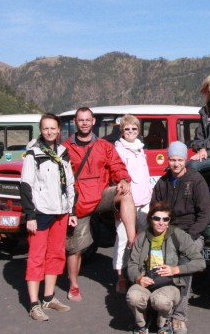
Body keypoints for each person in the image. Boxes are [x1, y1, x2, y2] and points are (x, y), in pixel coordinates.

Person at [63, 107, 137, 302]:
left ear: (93, 121)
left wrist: (122, 178)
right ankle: (74, 285)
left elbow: (117, 165)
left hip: (100, 194)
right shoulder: (65, 148)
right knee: (75, 249)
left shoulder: (104, 146)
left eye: (88, 119)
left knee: (125, 193)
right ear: (75, 122)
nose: (85, 123)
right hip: (78, 202)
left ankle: (132, 238)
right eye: (81, 120)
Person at [152, 141, 210, 334]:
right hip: (166, 233)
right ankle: (159, 309)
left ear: (185, 161)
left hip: (190, 233)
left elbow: (206, 213)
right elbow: (155, 210)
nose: (176, 164)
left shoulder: (196, 180)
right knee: (154, 265)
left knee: (183, 268)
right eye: (172, 159)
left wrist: (190, 236)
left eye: (179, 160)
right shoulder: (163, 183)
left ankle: (179, 316)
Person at [20, 113, 77, 321]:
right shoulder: (33, 153)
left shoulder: (63, 152)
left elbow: (69, 183)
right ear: (41, 130)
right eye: (46, 128)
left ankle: (49, 297)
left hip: (61, 212)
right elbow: (26, 185)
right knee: (36, 257)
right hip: (41, 212)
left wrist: (72, 211)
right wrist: (30, 215)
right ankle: (34, 304)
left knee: (56, 254)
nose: (50, 132)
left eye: (53, 128)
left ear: (59, 129)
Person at [126, 202, 206, 334]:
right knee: (133, 296)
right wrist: (138, 278)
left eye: (165, 219)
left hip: (169, 283)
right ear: (150, 219)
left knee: (161, 301)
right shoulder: (142, 238)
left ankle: (163, 323)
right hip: (147, 279)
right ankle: (142, 323)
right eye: (156, 218)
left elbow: (200, 262)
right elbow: (132, 264)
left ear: (169, 221)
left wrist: (176, 270)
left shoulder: (178, 235)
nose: (161, 222)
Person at [114, 114, 153, 294]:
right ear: (122, 131)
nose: (131, 132)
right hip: (127, 201)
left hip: (144, 200)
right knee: (123, 239)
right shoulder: (119, 150)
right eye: (127, 129)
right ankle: (121, 277)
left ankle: (140, 272)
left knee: (144, 238)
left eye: (134, 129)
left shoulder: (140, 148)